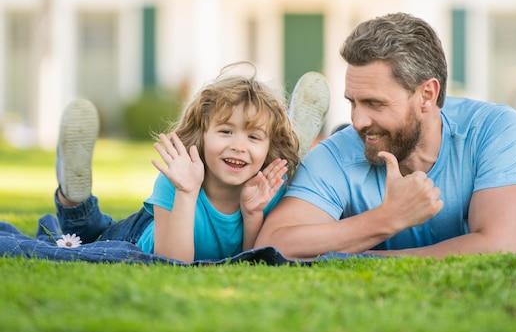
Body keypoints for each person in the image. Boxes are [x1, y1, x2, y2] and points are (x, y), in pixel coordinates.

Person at [256, 12, 516, 260]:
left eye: (375, 103)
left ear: (427, 94)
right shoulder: (336, 153)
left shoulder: (493, 128)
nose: (357, 120)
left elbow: (501, 246)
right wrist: (387, 219)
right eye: (352, 102)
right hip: (377, 144)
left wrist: (369, 256)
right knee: (354, 137)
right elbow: (272, 245)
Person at [54, 63, 329, 263]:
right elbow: (173, 262)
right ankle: (73, 196)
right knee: (90, 233)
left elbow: (252, 260)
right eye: (225, 131)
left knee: (281, 180)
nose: (238, 146)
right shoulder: (177, 181)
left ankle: (290, 151)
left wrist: (253, 213)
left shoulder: (266, 191)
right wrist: (186, 192)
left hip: (266, 179)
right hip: (139, 236)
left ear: (268, 147)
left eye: (254, 136)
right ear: (202, 136)